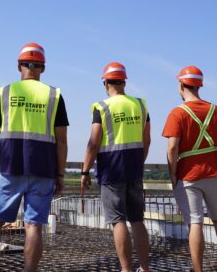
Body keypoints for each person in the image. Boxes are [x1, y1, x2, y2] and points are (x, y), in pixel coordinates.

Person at [0, 42, 69, 272]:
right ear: (43, 68)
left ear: (19, 65)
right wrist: (60, 174)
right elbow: (61, 141)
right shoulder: (54, 95)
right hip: (43, 170)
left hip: (10, 168)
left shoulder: (4, 92)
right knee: (34, 227)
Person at [81, 62, 151, 272]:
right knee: (137, 220)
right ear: (124, 82)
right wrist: (139, 162)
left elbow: (94, 142)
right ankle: (145, 269)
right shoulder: (140, 104)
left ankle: (126, 269)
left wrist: (85, 171)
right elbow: (146, 141)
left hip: (111, 170)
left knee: (118, 221)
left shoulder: (101, 107)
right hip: (134, 169)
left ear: (106, 83)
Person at [162, 66, 217, 272]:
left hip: (189, 176)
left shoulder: (178, 113)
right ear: (199, 85)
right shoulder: (214, 110)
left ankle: (198, 269)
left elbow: (172, 148)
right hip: (215, 173)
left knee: (195, 222)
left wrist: (173, 174)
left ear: (181, 85)